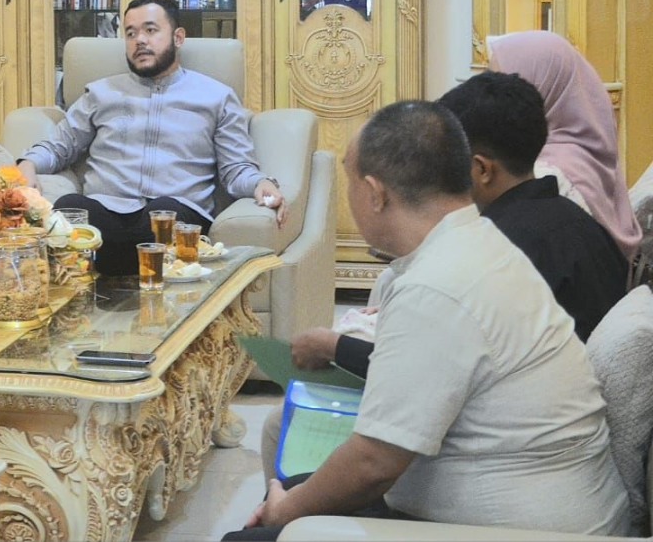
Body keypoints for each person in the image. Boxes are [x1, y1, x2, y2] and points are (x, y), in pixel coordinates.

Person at [231, 101, 629, 539]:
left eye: (349, 182)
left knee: (256, 530)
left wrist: (285, 512)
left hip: (524, 529)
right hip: (544, 504)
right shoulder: (478, 242)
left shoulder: (436, 285)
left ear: (374, 193)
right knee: (292, 490)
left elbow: (374, 463)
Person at [291, 71, 628, 376]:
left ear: (481, 170)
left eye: (446, 160)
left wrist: (332, 346)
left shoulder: (498, 248)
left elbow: (422, 371)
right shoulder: (573, 219)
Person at [16, 0, 283, 275]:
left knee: (163, 214)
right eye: (131, 33)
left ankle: (114, 278)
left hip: (176, 214)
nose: (140, 40)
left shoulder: (216, 97)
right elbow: (60, 146)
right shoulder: (100, 93)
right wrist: (28, 164)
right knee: (69, 207)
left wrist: (260, 183)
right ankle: (116, 283)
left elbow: (236, 168)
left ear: (178, 37)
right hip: (107, 211)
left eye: (150, 30)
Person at [489, 30, 640, 259]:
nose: (489, 98)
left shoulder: (549, 175)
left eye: (498, 87)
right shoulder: (584, 150)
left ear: (540, 87)